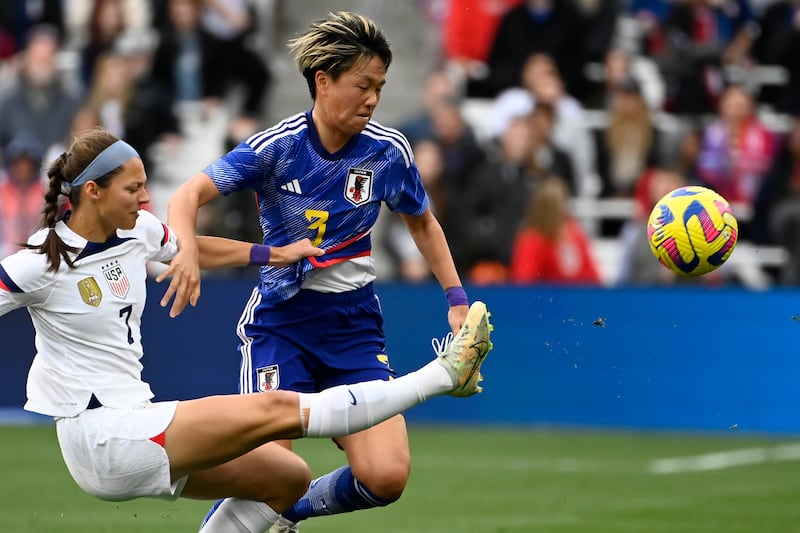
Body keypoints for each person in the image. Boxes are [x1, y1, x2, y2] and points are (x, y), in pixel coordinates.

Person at [0, 127, 494, 533]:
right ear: (92, 191)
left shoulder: (137, 230)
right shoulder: (38, 263)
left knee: (286, 477)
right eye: (133, 189)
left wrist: (274, 254)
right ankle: (443, 375)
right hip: (101, 434)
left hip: (133, 421)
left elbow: (192, 247)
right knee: (277, 411)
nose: (146, 197)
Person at [163, 11, 473, 532]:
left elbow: (422, 222)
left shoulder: (387, 151)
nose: (372, 99)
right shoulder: (277, 147)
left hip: (353, 327)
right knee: (269, 468)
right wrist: (185, 248)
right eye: (362, 85)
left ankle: (291, 513)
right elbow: (187, 194)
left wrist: (456, 298)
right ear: (323, 81)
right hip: (281, 323)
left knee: (386, 476)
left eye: (379, 88)